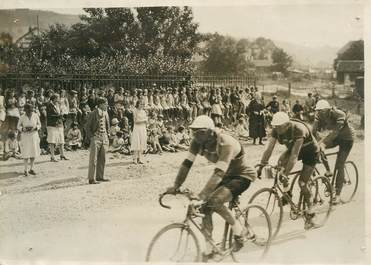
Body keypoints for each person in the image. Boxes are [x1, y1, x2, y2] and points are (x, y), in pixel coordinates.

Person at [165, 115, 257, 261]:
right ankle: (210, 249)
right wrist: (176, 185)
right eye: (193, 132)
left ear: (210, 131)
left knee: (213, 201)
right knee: (204, 208)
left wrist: (202, 196)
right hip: (226, 175)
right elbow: (186, 164)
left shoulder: (225, 143)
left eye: (200, 132)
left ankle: (240, 232)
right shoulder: (197, 142)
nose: (195, 135)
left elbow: (218, 172)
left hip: (242, 175)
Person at [257, 112, 320, 230]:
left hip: (310, 152)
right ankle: (288, 193)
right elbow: (269, 149)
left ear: (287, 125)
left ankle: (311, 213)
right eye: (275, 127)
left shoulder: (298, 129)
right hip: (295, 149)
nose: (277, 129)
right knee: (279, 166)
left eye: (280, 127)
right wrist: (262, 164)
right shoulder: (276, 129)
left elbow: (294, 156)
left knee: (302, 183)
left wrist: (286, 174)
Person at [312, 100, 354, 205]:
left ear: (328, 110)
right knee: (317, 148)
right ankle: (328, 171)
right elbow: (313, 132)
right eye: (318, 111)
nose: (319, 113)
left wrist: (324, 142)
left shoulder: (339, 114)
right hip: (335, 138)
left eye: (321, 111)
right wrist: (315, 143)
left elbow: (336, 132)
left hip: (346, 139)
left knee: (340, 165)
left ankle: (338, 195)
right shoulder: (319, 116)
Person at [86, 97, 110, 184]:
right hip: (95, 137)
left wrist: (108, 135)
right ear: (100, 104)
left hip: (104, 137)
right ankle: (91, 178)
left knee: (102, 158)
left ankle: (100, 176)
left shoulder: (106, 113)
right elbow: (87, 127)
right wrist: (91, 137)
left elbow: (108, 125)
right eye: (105, 104)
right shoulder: (93, 113)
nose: (107, 105)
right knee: (93, 159)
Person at [17, 104, 41, 176]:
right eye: (28, 110)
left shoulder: (35, 115)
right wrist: (23, 129)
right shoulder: (22, 117)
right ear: (25, 110)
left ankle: (31, 168)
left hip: (34, 135)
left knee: (33, 152)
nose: (29, 112)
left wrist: (36, 128)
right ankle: (25, 169)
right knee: (26, 152)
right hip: (25, 136)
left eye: (31, 110)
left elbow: (39, 124)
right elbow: (18, 126)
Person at [46, 94, 68, 162]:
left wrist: (62, 118)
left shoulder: (58, 105)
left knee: (61, 140)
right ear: (54, 98)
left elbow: (60, 113)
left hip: (59, 124)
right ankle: (52, 157)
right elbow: (50, 115)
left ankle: (62, 155)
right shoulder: (49, 105)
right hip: (52, 125)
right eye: (57, 98)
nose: (58, 100)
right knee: (52, 141)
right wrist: (59, 115)